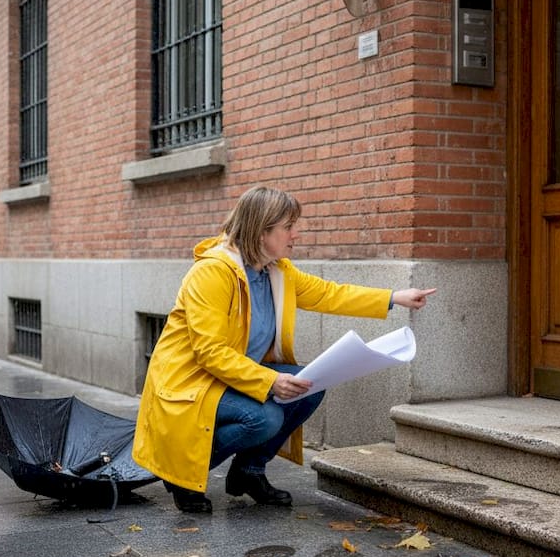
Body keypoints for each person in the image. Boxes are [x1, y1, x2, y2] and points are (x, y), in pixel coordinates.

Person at [132, 186, 437, 513]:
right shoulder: (212, 273)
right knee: (264, 419)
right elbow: (210, 352)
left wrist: (393, 297)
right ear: (261, 231)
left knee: (308, 388)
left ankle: (248, 472)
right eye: (288, 226)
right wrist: (270, 381)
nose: (296, 234)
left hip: (234, 374)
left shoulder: (276, 271)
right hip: (192, 382)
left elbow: (328, 294)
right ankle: (183, 475)